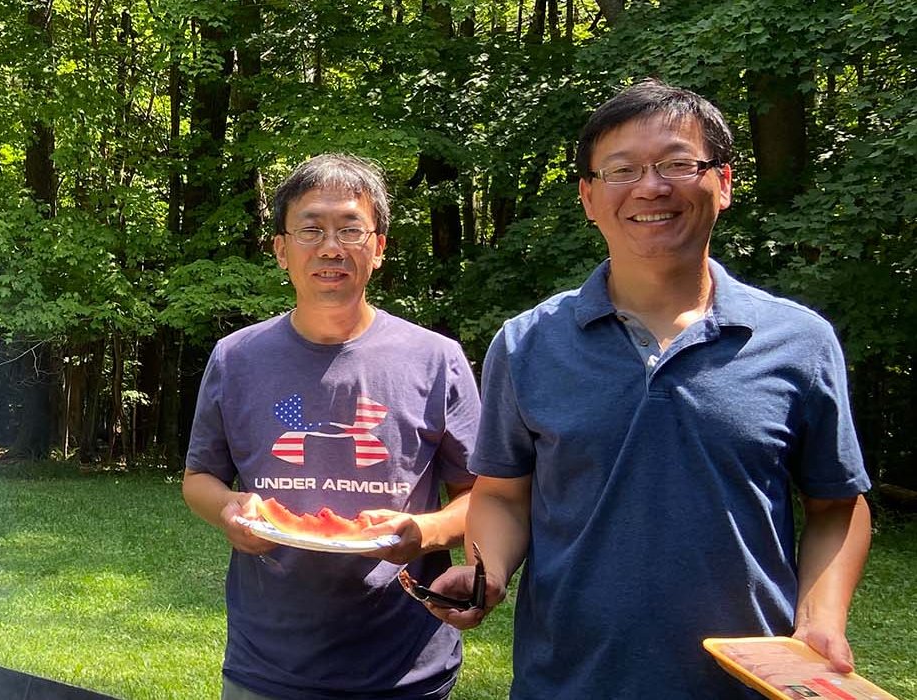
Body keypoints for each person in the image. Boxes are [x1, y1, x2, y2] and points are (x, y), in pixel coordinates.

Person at [421, 80, 874, 699]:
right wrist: (488, 570)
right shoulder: (527, 343)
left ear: (724, 183)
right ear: (588, 196)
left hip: (746, 685)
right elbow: (502, 496)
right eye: (621, 169)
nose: (650, 187)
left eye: (677, 164)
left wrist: (821, 621)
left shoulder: (799, 340)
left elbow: (836, 506)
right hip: (568, 683)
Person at [182, 153, 482, 700]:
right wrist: (229, 510)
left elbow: (479, 494)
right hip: (266, 664)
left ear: (380, 248)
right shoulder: (236, 357)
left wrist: (426, 533)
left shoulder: (436, 358)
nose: (330, 247)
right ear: (281, 249)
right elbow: (199, 477)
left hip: (406, 665)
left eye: (351, 229)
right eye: (311, 230)